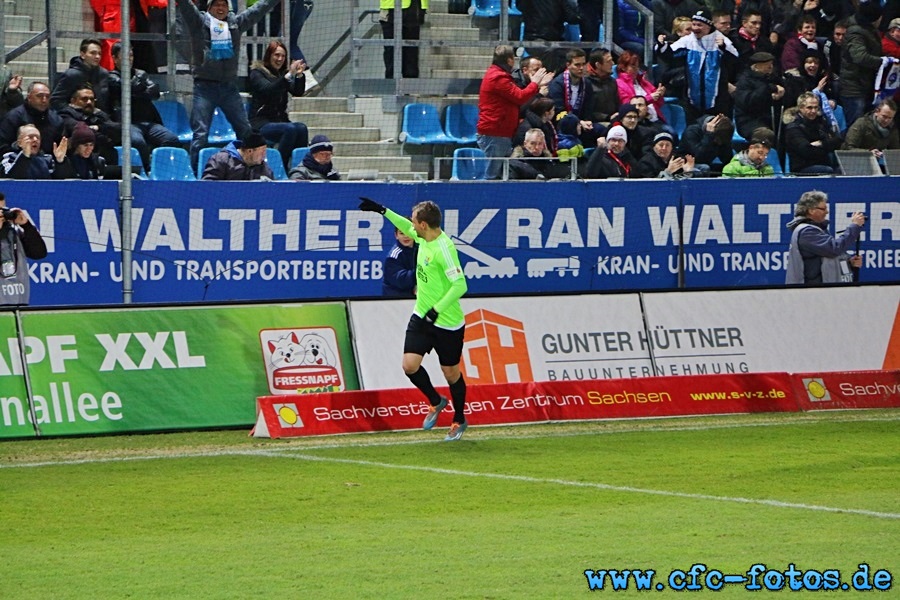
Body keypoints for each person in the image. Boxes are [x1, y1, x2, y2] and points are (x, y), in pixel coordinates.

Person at [357, 196, 469, 441]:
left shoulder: (444, 249)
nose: (411, 225)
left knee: (451, 373)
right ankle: (436, 401)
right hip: (421, 316)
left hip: (447, 322)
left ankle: (459, 418)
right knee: (409, 365)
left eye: (415, 222)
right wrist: (382, 210)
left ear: (424, 225)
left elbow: (460, 285)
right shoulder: (422, 237)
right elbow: (404, 225)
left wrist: (437, 309)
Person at [175, 0, 280, 168]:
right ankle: (194, 172)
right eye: (216, 5)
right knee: (200, 135)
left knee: (245, 131)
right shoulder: (199, 22)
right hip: (204, 87)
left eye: (224, 5)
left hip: (229, 87)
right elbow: (187, 7)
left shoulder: (235, 25)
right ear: (209, 8)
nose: (220, 8)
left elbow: (258, 10)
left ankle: (250, 169)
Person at [476, 45, 552, 180]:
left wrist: (536, 86)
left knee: (502, 174)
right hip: (495, 132)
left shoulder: (499, 75)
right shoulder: (498, 78)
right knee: (492, 176)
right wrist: (535, 84)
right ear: (510, 60)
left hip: (501, 132)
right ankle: (486, 200)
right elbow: (520, 97)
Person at [107, 42, 180, 165]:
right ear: (114, 58)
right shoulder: (111, 77)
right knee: (137, 142)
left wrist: (134, 90)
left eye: (131, 55)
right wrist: (139, 88)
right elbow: (126, 89)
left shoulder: (140, 73)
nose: (129, 59)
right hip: (128, 124)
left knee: (171, 139)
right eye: (124, 56)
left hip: (149, 123)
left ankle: (160, 167)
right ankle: (145, 170)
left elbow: (154, 92)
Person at [664, 9, 739, 123]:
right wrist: (661, 47)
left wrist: (723, 49)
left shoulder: (721, 40)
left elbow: (735, 60)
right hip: (692, 101)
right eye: (693, 24)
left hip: (718, 102)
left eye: (699, 25)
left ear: (709, 26)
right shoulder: (688, 40)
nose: (695, 28)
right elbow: (670, 54)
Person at [248, 40, 309, 170]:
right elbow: (269, 89)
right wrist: (288, 76)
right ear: (269, 55)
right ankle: (279, 168)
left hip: (280, 120)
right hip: (260, 123)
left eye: (283, 56)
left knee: (301, 128)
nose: (280, 59)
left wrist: (299, 75)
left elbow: (297, 92)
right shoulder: (257, 73)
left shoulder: (282, 75)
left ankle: (300, 168)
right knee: (290, 129)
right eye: (276, 55)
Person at [785, 189, 865, 285]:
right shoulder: (807, 232)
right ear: (811, 210)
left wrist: (849, 263)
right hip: (811, 293)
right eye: (823, 209)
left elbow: (828, 257)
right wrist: (855, 226)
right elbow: (834, 249)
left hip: (821, 290)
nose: (827, 212)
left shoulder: (817, 229)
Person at [58, 85, 132, 167]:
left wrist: (98, 127)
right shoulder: (66, 114)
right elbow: (82, 131)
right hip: (80, 161)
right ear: (73, 101)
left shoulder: (98, 113)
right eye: (84, 99)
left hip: (107, 159)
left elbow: (119, 129)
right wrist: (105, 136)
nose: (89, 102)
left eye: (92, 99)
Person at [840, 1, 887, 127]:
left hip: (865, 85)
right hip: (854, 87)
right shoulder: (856, 32)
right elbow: (859, 57)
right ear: (875, 18)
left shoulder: (869, 30)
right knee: (855, 125)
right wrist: (882, 61)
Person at [0, 192, 47, 305]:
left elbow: (39, 253)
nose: (2, 214)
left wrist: (26, 225)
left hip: (20, 303)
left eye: (3, 209)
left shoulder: (14, 232)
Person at [783, 91, 842, 173]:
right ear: (800, 108)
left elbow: (838, 141)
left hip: (825, 164)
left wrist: (821, 143)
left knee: (842, 170)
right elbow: (806, 151)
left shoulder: (821, 122)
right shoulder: (793, 127)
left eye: (816, 107)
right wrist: (827, 146)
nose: (813, 111)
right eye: (809, 108)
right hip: (802, 168)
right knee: (827, 170)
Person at [0, 82, 65, 156]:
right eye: (39, 96)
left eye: (47, 96)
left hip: (48, 163)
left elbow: (59, 147)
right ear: (29, 97)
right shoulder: (13, 117)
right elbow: (3, 146)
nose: (44, 100)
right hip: (18, 161)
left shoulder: (56, 120)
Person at [733, 51, 785, 140]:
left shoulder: (774, 78)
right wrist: (769, 89)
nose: (770, 67)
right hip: (750, 120)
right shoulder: (744, 81)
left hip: (773, 118)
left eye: (771, 64)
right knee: (764, 135)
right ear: (756, 67)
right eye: (767, 64)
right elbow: (750, 102)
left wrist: (781, 95)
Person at [50, 39, 110, 112]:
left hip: (100, 118)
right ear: (82, 54)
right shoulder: (71, 75)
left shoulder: (104, 74)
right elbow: (56, 101)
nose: (97, 56)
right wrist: (76, 114)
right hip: (75, 118)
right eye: (93, 53)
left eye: (99, 53)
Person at [0, 125, 74, 179]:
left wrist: (60, 162)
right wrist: (24, 156)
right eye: (30, 137)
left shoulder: (47, 159)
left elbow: (62, 183)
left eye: (38, 137)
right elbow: (9, 179)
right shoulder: (9, 157)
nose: (35, 139)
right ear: (19, 143)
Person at [379, 0, 427, 79]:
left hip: (413, 7)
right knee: (392, 53)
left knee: (410, 55)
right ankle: (393, 86)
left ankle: (408, 88)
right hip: (393, 8)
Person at [615, 50, 667, 124]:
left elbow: (660, 104)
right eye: (633, 66)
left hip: (656, 118)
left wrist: (659, 95)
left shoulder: (643, 81)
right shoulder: (619, 83)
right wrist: (650, 98)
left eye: (637, 66)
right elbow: (627, 105)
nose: (636, 69)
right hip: (638, 121)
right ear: (623, 67)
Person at [201, 131, 274, 180]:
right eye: (262, 151)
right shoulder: (220, 160)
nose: (264, 155)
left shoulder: (262, 166)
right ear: (250, 151)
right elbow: (208, 186)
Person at [730, 10, 779, 76]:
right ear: (744, 23)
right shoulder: (733, 41)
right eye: (754, 23)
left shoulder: (764, 41)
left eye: (759, 23)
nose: (758, 26)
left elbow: (773, 61)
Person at [584, 48, 618, 123]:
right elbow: (586, 111)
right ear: (598, 65)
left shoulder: (612, 81)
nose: (612, 63)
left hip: (613, 119)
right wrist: (607, 117)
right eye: (608, 61)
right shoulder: (585, 83)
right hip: (594, 123)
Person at [383, 227, 418, 296]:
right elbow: (401, 281)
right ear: (396, 235)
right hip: (395, 299)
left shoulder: (421, 249)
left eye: (408, 233)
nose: (406, 236)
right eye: (402, 233)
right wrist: (422, 272)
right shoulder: (393, 256)